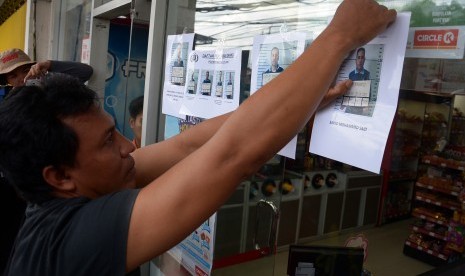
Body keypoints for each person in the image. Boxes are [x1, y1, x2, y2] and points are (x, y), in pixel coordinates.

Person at [0, 0, 396, 275]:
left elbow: (191, 144)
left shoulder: (63, 192)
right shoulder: (72, 241)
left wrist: (305, 103)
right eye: (107, 142)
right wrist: (341, 35)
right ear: (59, 176)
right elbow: (232, 153)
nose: (129, 145)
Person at [0, 48, 93, 88]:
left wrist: (49, 65)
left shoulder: (51, 84)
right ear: (7, 81)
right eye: (13, 76)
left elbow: (86, 72)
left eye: (25, 71)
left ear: (34, 68)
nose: (23, 79)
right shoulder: (11, 103)